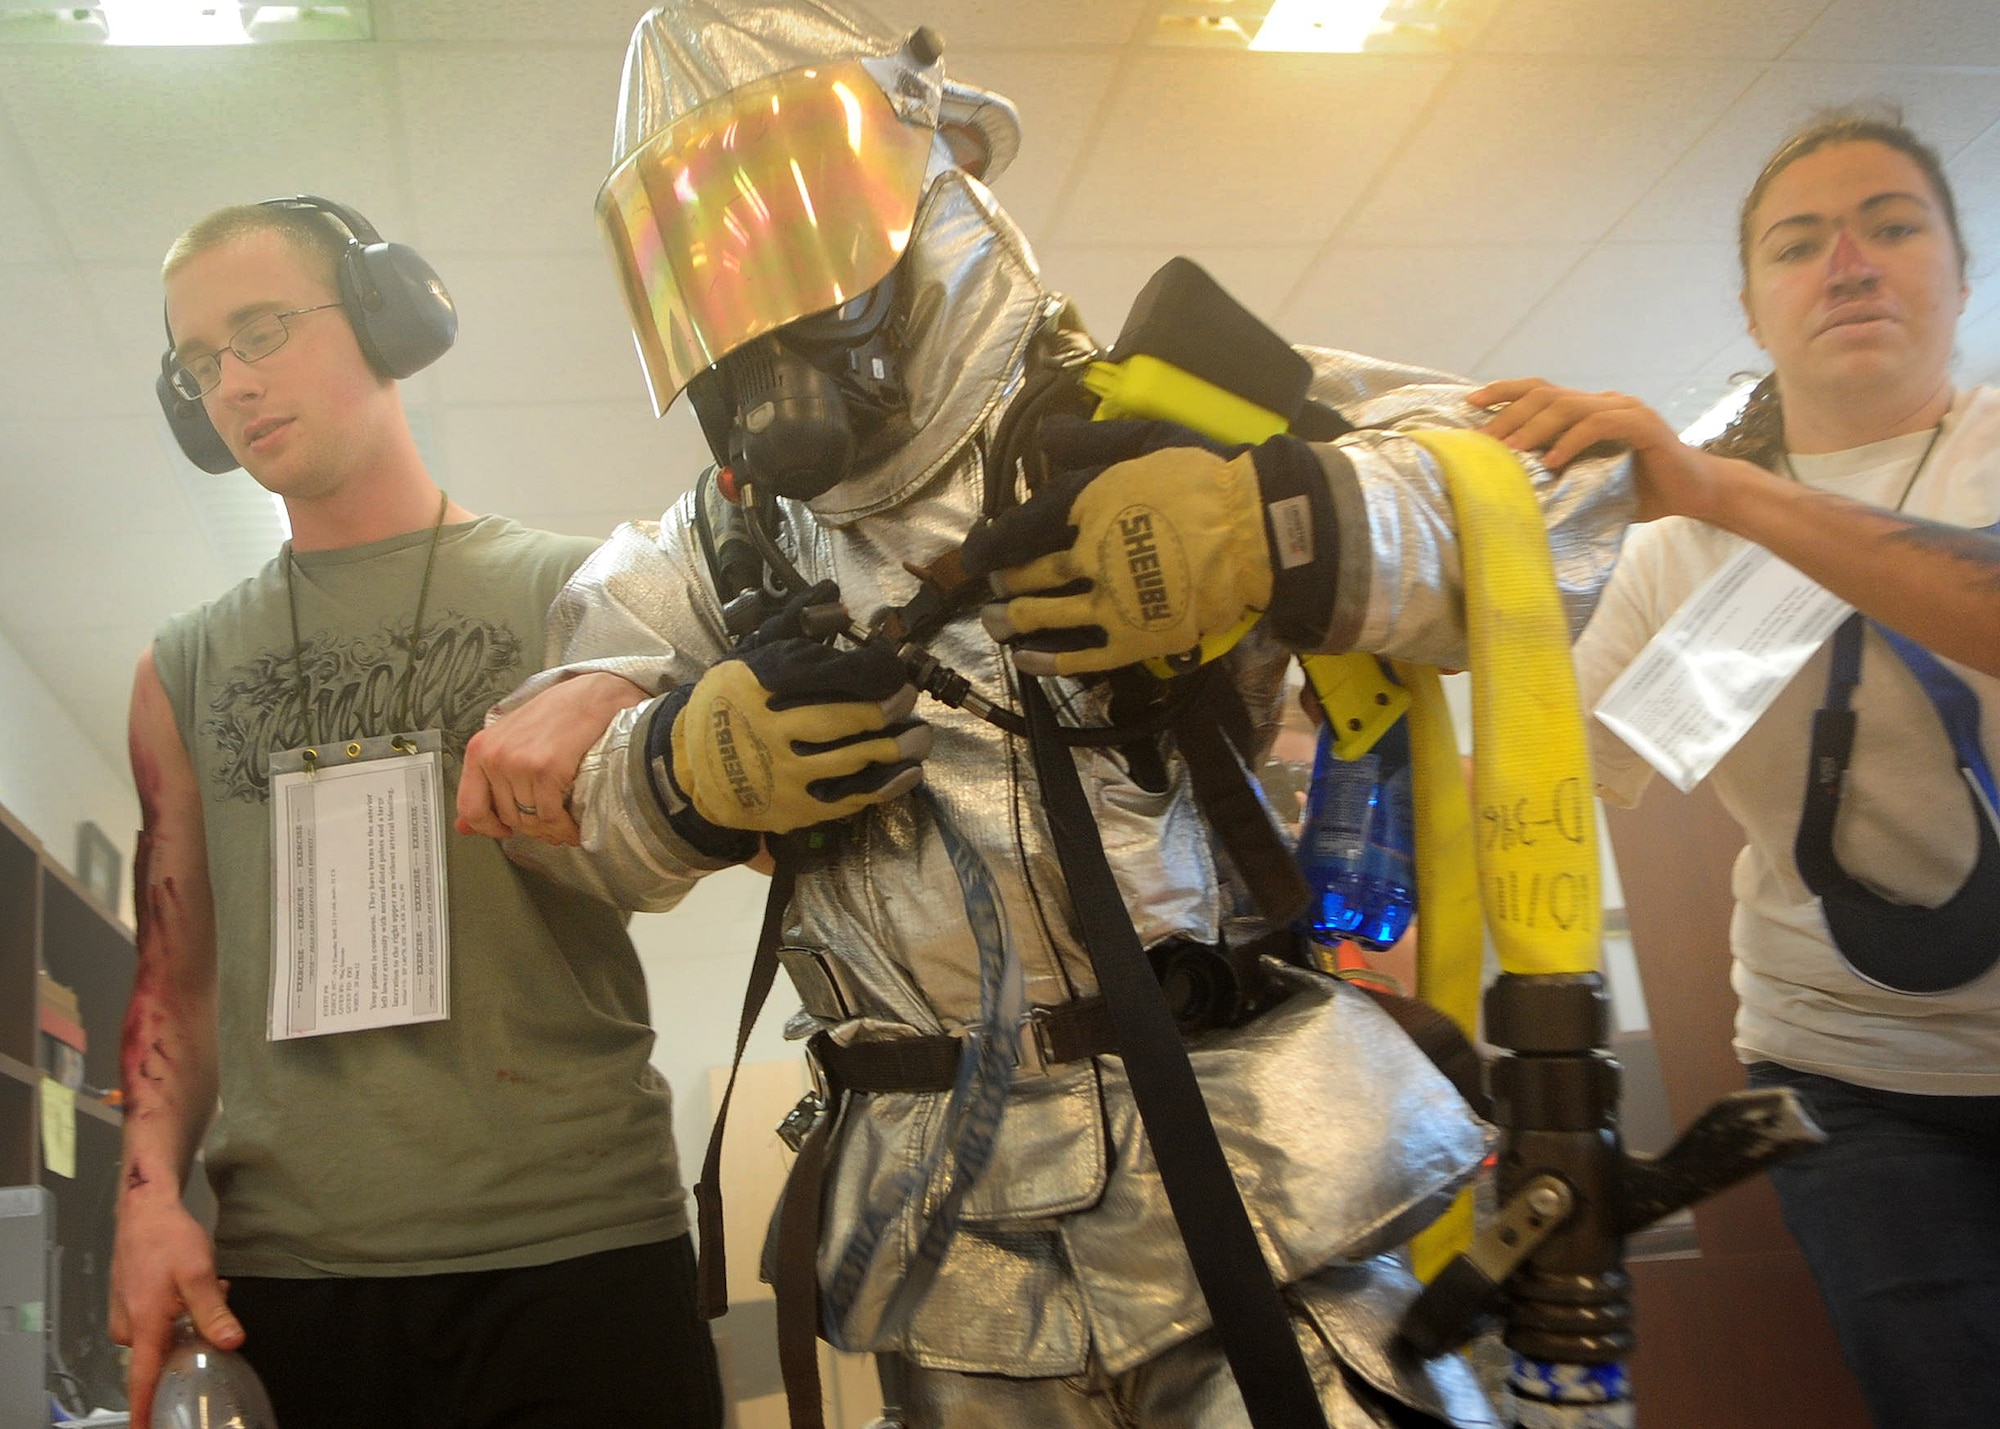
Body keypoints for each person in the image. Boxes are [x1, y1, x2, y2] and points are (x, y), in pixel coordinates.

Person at [458, 3, 1635, 1425]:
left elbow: (1551, 501)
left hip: (1257, 1181)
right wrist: (680, 774)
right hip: (942, 1236)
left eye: (800, 216)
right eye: (713, 250)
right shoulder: (711, 557)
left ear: (925, 169)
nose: (764, 299)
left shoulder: (1156, 413)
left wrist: (1279, 526)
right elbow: (544, 801)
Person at [111, 196, 723, 1429]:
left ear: (388, 318)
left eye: (264, 329)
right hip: (295, 1275)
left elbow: (745, 825)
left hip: (581, 1240)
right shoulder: (179, 669)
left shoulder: (588, 594)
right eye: (198, 362)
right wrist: (145, 1199)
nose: (233, 382)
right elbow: (175, 977)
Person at [1476, 110, 2000, 1429]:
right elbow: (1544, 782)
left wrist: (1723, 489)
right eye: (1799, 245)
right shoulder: (1670, 554)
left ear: (1962, 270)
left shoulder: (1715, 505)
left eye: (1890, 226)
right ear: (1755, 308)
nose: (1850, 265)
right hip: (1851, 1070)